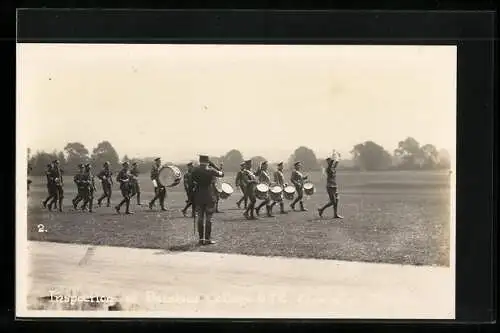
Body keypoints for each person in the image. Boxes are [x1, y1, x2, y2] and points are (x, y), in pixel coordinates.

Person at [190, 155, 224, 245]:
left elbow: (191, 184)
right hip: (209, 196)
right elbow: (221, 174)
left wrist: (191, 196)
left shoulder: (195, 170)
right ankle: (208, 239)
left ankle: (201, 239)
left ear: (200, 161)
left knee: (200, 218)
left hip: (198, 196)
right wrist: (214, 166)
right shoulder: (211, 170)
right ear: (207, 161)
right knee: (209, 219)